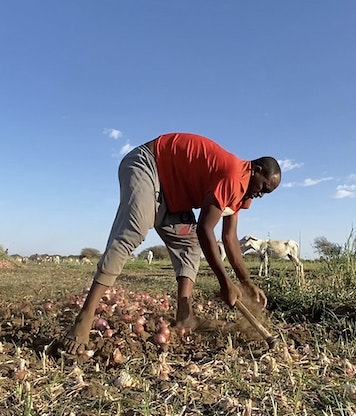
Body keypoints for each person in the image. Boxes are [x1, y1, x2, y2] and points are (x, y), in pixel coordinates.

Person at [62, 132, 281, 354]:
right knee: (134, 229)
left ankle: (184, 317)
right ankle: (86, 315)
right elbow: (206, 228)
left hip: (173, 196)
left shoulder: (244, 193)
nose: (262, 194)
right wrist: (225, 282)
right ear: (256, 170)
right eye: (264, 187)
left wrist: (246, 282)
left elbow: (229, 238)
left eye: (267, 192)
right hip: (148, 164)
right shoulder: (234, 174)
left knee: (190, 244)